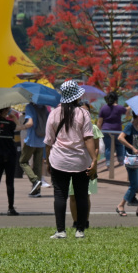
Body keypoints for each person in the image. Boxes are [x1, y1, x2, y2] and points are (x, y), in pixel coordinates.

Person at [44, 80, 98, 239]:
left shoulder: (53, 113)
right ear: (76, 96)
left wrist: (48, 162)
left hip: (59, 160)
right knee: (81, 195)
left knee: (60, 195)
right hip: (80, 160)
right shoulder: (83, 113)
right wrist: (94, 159)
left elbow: (48, 142)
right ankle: (80, 230)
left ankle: (60, 230)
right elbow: (88, 138)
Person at [115, 114, 138, 217]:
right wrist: (132, 147)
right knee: (134, 184)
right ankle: (121, 205)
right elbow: (120, 138)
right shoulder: (130, 126)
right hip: (132, 160)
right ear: (137, 115)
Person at [0, 108, 20, 216]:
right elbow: (20, 127)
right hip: (9, 155)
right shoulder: (9, 123)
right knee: (9, 182)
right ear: (5, 111)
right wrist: (15, 118)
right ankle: (10, 208)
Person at [20, 100, 48, 197]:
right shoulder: (44, 108)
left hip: (31, 140)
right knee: (37, 166)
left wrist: (22, 126)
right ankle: (37, 191)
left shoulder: (29, 107)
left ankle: (35, 180)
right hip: (41, 141)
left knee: (22, 161)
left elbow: (30, 123)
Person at [98, 92, 128, 179]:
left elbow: (100, 122)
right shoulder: (119, 107)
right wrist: (129, 108)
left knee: (108, 147)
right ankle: (121, 160)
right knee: (119, 145)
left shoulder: (103, 108)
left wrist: (97, 132)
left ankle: (108, 164)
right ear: (116, 99)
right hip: (117, 130)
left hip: (106, 130)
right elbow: (127, 112)